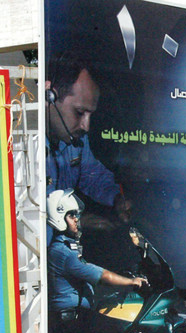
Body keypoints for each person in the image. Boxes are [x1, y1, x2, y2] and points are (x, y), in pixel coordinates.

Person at [47, 189, 147, 333]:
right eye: (71, 215)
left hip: (68, 318)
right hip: (70, 320)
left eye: (76, 215)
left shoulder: (65, 248)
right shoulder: (63, 252)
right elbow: (101, 275)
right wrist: (131, 282)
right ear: (59, 218)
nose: (76, 219)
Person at [45, 51, 131, 237]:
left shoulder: (76, 140)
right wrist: (77, 222)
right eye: (79, 112)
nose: (86, 126)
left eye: (90, 115)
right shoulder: (26, 145)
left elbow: (92, 176)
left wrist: (117, 198)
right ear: (49, 96)